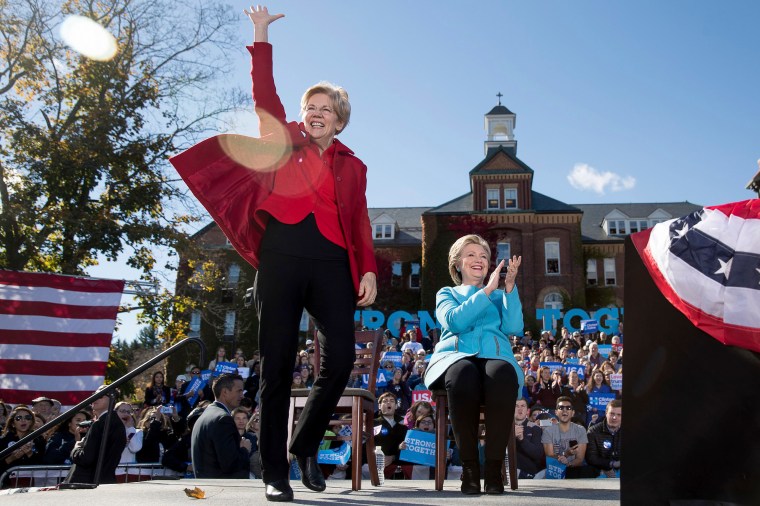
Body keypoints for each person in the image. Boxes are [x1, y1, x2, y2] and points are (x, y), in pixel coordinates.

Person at [171, 4, 378, 501]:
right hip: (281, 253)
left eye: (326, 108)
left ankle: (305, 444)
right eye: (311, 106)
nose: (316, 112)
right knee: (279, 362)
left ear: (340, 121)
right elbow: (264, 93)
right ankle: (273, 472)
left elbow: (358, 221)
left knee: (342, 358)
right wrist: (261, 35)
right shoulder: (283, 138)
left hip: (331, 261)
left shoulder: (354, 166)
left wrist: (367, 268)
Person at [424, 234, 524, 495]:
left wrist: (509, 288)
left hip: (495, 356)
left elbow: (515, 327)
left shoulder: (502, 294)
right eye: (471, 255)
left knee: (502, 373)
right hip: (456, 357)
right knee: (462, 375)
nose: (478, 260)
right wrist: (487, 291)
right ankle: (469, 469)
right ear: (457, 264)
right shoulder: (447, 293)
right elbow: (455, 322)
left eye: (483, 256)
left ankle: (493, 470)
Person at [190, 373, 251, 479]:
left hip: (210, 487)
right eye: (239, 391)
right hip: (223, 489)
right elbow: (230, 464)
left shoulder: (207, 413)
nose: (242, 396)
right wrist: (245, 449)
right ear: (225, 392)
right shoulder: (223, 419)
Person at [65, 385, 126, 485]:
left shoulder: (101, 423)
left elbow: (86, 458)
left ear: (112, 398)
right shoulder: (112, 422)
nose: (95, 398)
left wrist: (76, 448)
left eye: (101, 395)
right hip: (103, 480)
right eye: (94, 395)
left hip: (88, 482)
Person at [540, 396, 591, 479]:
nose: (564, 410)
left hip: (574, 470)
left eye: (568, 408)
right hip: (554, 470)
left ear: (573, 412)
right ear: (556, 412)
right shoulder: (548, 431)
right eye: (561, 408)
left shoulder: (581, 430)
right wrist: (566, 454)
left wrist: (568, 463)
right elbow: (549, 455)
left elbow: (580, 459)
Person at [0, 406, 46, 475]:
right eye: (18, 418)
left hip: (31, 482)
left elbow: (43, 464)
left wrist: (30, 454)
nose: (23, 420)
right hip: (7, 483)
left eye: (27, 418)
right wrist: (12, 458)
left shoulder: (38, 439)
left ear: (31, 422)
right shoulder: (4, 439)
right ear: (12, 423)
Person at [373, 392, 408, 477]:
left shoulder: (404, 426)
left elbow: (407, 448)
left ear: (396, 406)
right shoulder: (372, 423)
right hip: (375, 466)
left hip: (398, 468)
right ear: (379, 406)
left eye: (392, 401)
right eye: (385, 401)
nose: (388, 403)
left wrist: (393, 457)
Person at [586, 399, 622, 477]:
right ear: (606, 413)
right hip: (600, 472)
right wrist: (610, 464)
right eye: (612, 414)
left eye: (619, 415)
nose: (615, 417)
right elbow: (591, 458)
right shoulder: (593, 431)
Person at [513, 398, 545, 479]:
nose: (520, 409)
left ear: (527, 411)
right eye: (516, 406)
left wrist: (522, 439)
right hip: (508, 471)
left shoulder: (535, 428)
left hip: (528, 473)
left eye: (523, 406)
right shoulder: (505, 428)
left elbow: (538, 454)